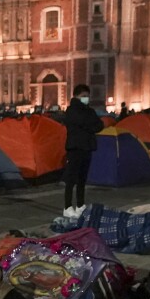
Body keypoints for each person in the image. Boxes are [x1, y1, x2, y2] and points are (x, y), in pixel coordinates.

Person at [62, 84, 104, 217]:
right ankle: (67, 207)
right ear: (76, 96)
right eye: (83, 96)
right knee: (71, 179)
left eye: (87, 96)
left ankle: (80, 205)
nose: (86, 98)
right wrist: (90, 125)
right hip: (75, 148)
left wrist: (88, 126)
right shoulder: (71, 110)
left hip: (87, 147)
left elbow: (100, 125)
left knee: (82, 179)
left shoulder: (88, 111)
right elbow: (86, 123)